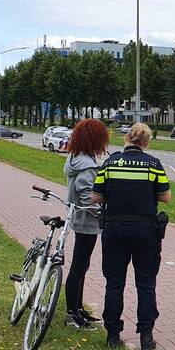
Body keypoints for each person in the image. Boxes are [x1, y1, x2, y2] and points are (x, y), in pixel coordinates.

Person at [91, 123, 170, 350]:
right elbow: (165, 197)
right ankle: (146, 337)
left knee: (114, 283)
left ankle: (113, 335)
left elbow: (96, 197)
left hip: (115, 229)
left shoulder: (110, 163)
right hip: (146, 230)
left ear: (127, 138)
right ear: (146, 142)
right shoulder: (153, 164)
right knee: (146, 283)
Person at [63, 118, 109, 330]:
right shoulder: (88, 166)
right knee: (79, 267)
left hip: (77, 219)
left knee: (81, 265)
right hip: (86, 222)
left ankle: (78, 309)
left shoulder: (75, 158)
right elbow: (87, 198)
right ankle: (73, 313)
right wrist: (102, 214)